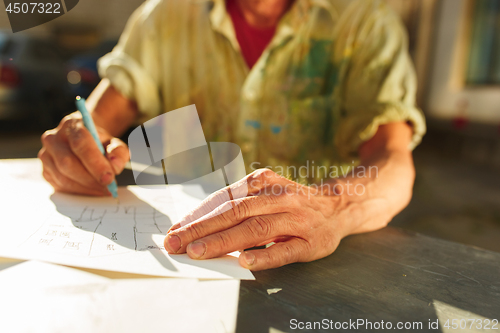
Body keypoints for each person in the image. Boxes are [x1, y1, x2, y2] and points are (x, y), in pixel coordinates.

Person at [38, 0, 426, 270]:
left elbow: (394, 162)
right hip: (185, 258)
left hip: (319, 266)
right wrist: (77, 143)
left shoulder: (364, 21)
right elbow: (95, 119)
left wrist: (329, 207)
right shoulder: (165, 15)